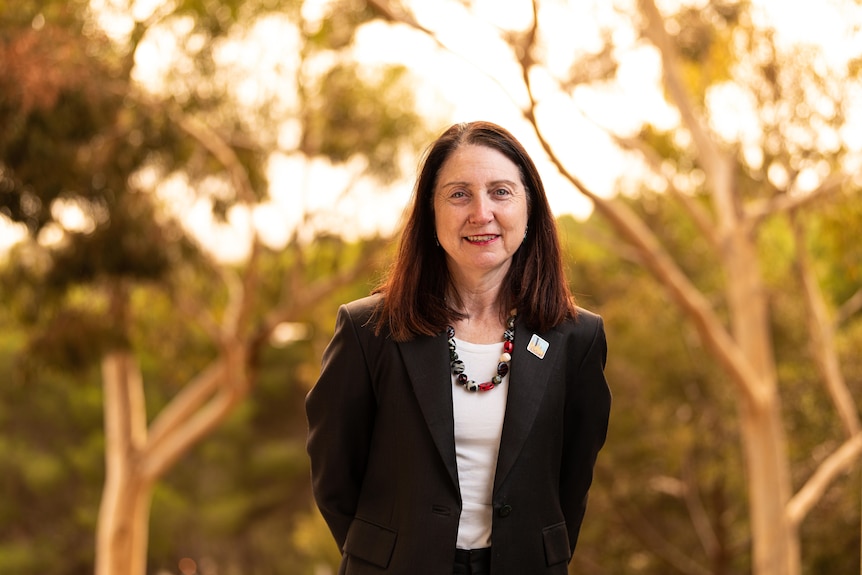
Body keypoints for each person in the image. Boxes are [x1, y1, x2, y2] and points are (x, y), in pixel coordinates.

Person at [306, 121, 611, 575]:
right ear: (431, 213)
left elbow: (571, 483)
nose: (481, 212)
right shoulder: (368, 330)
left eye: (501, 192)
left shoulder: (576, 338)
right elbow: (334, 476)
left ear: (530, 210)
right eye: (459, 194)